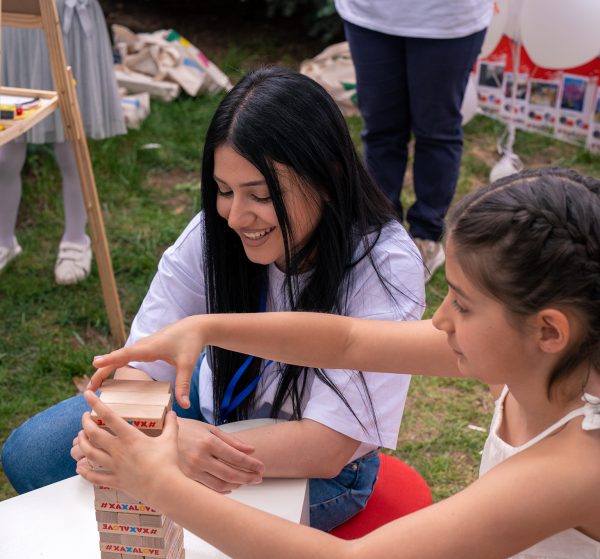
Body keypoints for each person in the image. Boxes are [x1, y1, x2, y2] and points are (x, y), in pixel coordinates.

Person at [80, 167, 600, 559]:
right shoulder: (540, 362)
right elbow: (350, 341)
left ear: (549, 330)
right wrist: (206, 328)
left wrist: (163, 486)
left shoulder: (575, 466)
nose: (440, 321)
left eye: (463, 304)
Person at [2, 67, 425, 532]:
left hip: (312, 466)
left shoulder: (383, 264)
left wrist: (159, 448)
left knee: (163, 514)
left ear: (328, 177)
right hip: (202, 415)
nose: (236, 216)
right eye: (224, 191)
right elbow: (142, 361)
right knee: (34, 454)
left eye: (261, 195)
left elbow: (327, 448)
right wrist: (143, 430)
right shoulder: (214, 231)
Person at [334, 0, 493, 281]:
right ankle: (380, 231)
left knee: (436, 132)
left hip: (447, 18)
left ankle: (426, 237)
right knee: (381, 130)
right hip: (370, 13)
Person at [0, 0, 125, 282]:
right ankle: (4, 240)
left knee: (70, 147)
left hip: (64, 24)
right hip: (14, 22)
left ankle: (75, 240)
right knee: (5, 152)